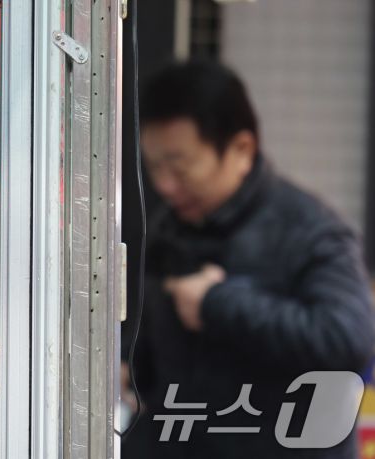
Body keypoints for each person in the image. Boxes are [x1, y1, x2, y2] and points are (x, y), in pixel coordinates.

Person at [122, 60, 375, 458]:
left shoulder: (311, 232)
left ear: (241, 150)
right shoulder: (170, 227)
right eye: (154, 167)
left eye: (180, 166)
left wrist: (217, 304)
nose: (165, 185)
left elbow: (348, 339)